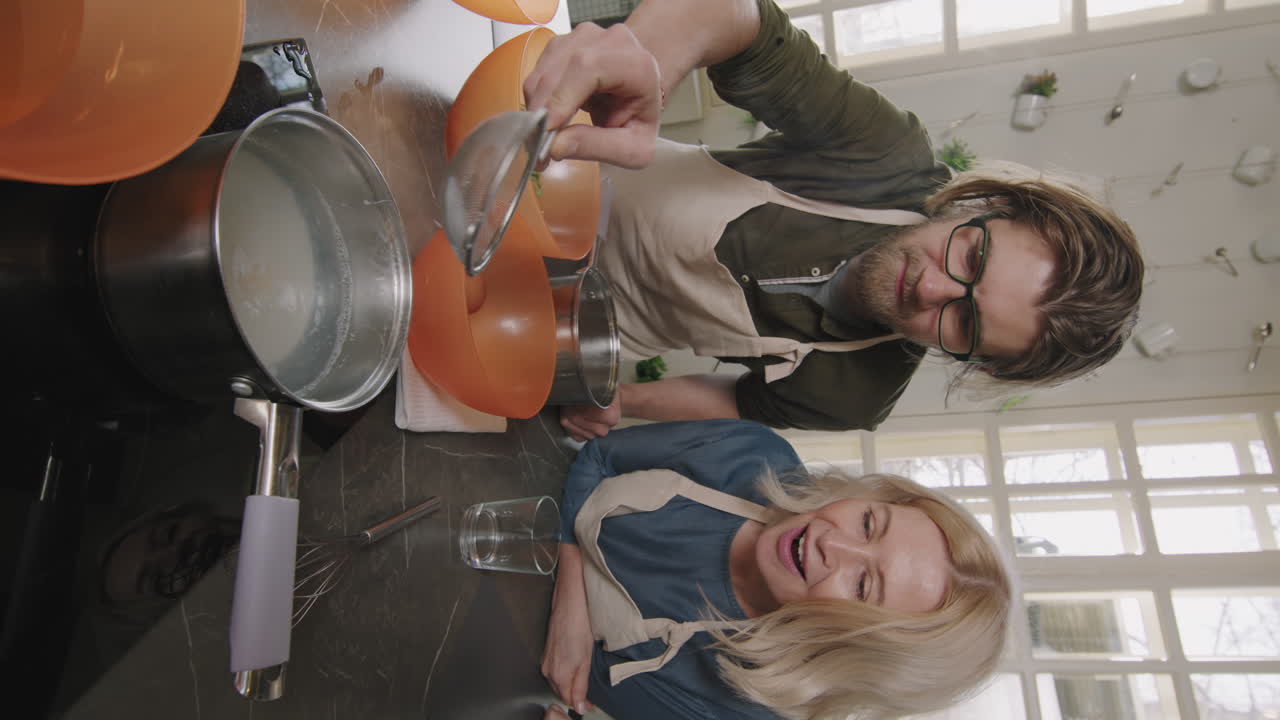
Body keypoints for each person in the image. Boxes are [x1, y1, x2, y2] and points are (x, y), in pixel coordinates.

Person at [523, 0, 1145, 438]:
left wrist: (620, 399)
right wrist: (645, 59)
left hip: (555, 322)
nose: (931, 288)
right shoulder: (885, 157)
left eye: (964, 319)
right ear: (988, 207)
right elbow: (741, 20)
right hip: (551, 178)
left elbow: (740, 403)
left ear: (975, 361)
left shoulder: (858, 394)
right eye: (971, 257)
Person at [539, 419, 1012, 720]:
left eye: (863, 585)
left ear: (855, 646)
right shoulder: (756, 453)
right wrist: (571, 602)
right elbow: (600, 457)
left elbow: (569, 688)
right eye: (868, 522)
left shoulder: (744, 705)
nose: (833, 543)